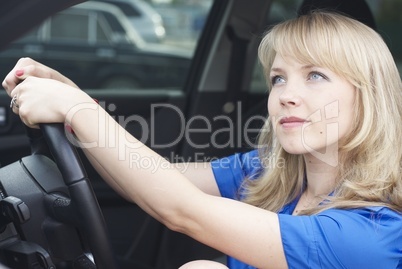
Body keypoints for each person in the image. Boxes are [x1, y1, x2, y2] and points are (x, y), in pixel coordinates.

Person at [3, 11, 402, 269]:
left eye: (315, 75)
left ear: (368, 95)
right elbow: (151, 176)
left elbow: (181, 208)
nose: (285, 94)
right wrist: (76, 101)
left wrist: (76, 109)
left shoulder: (371, 233)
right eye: (278, 77)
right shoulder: (270, 171)